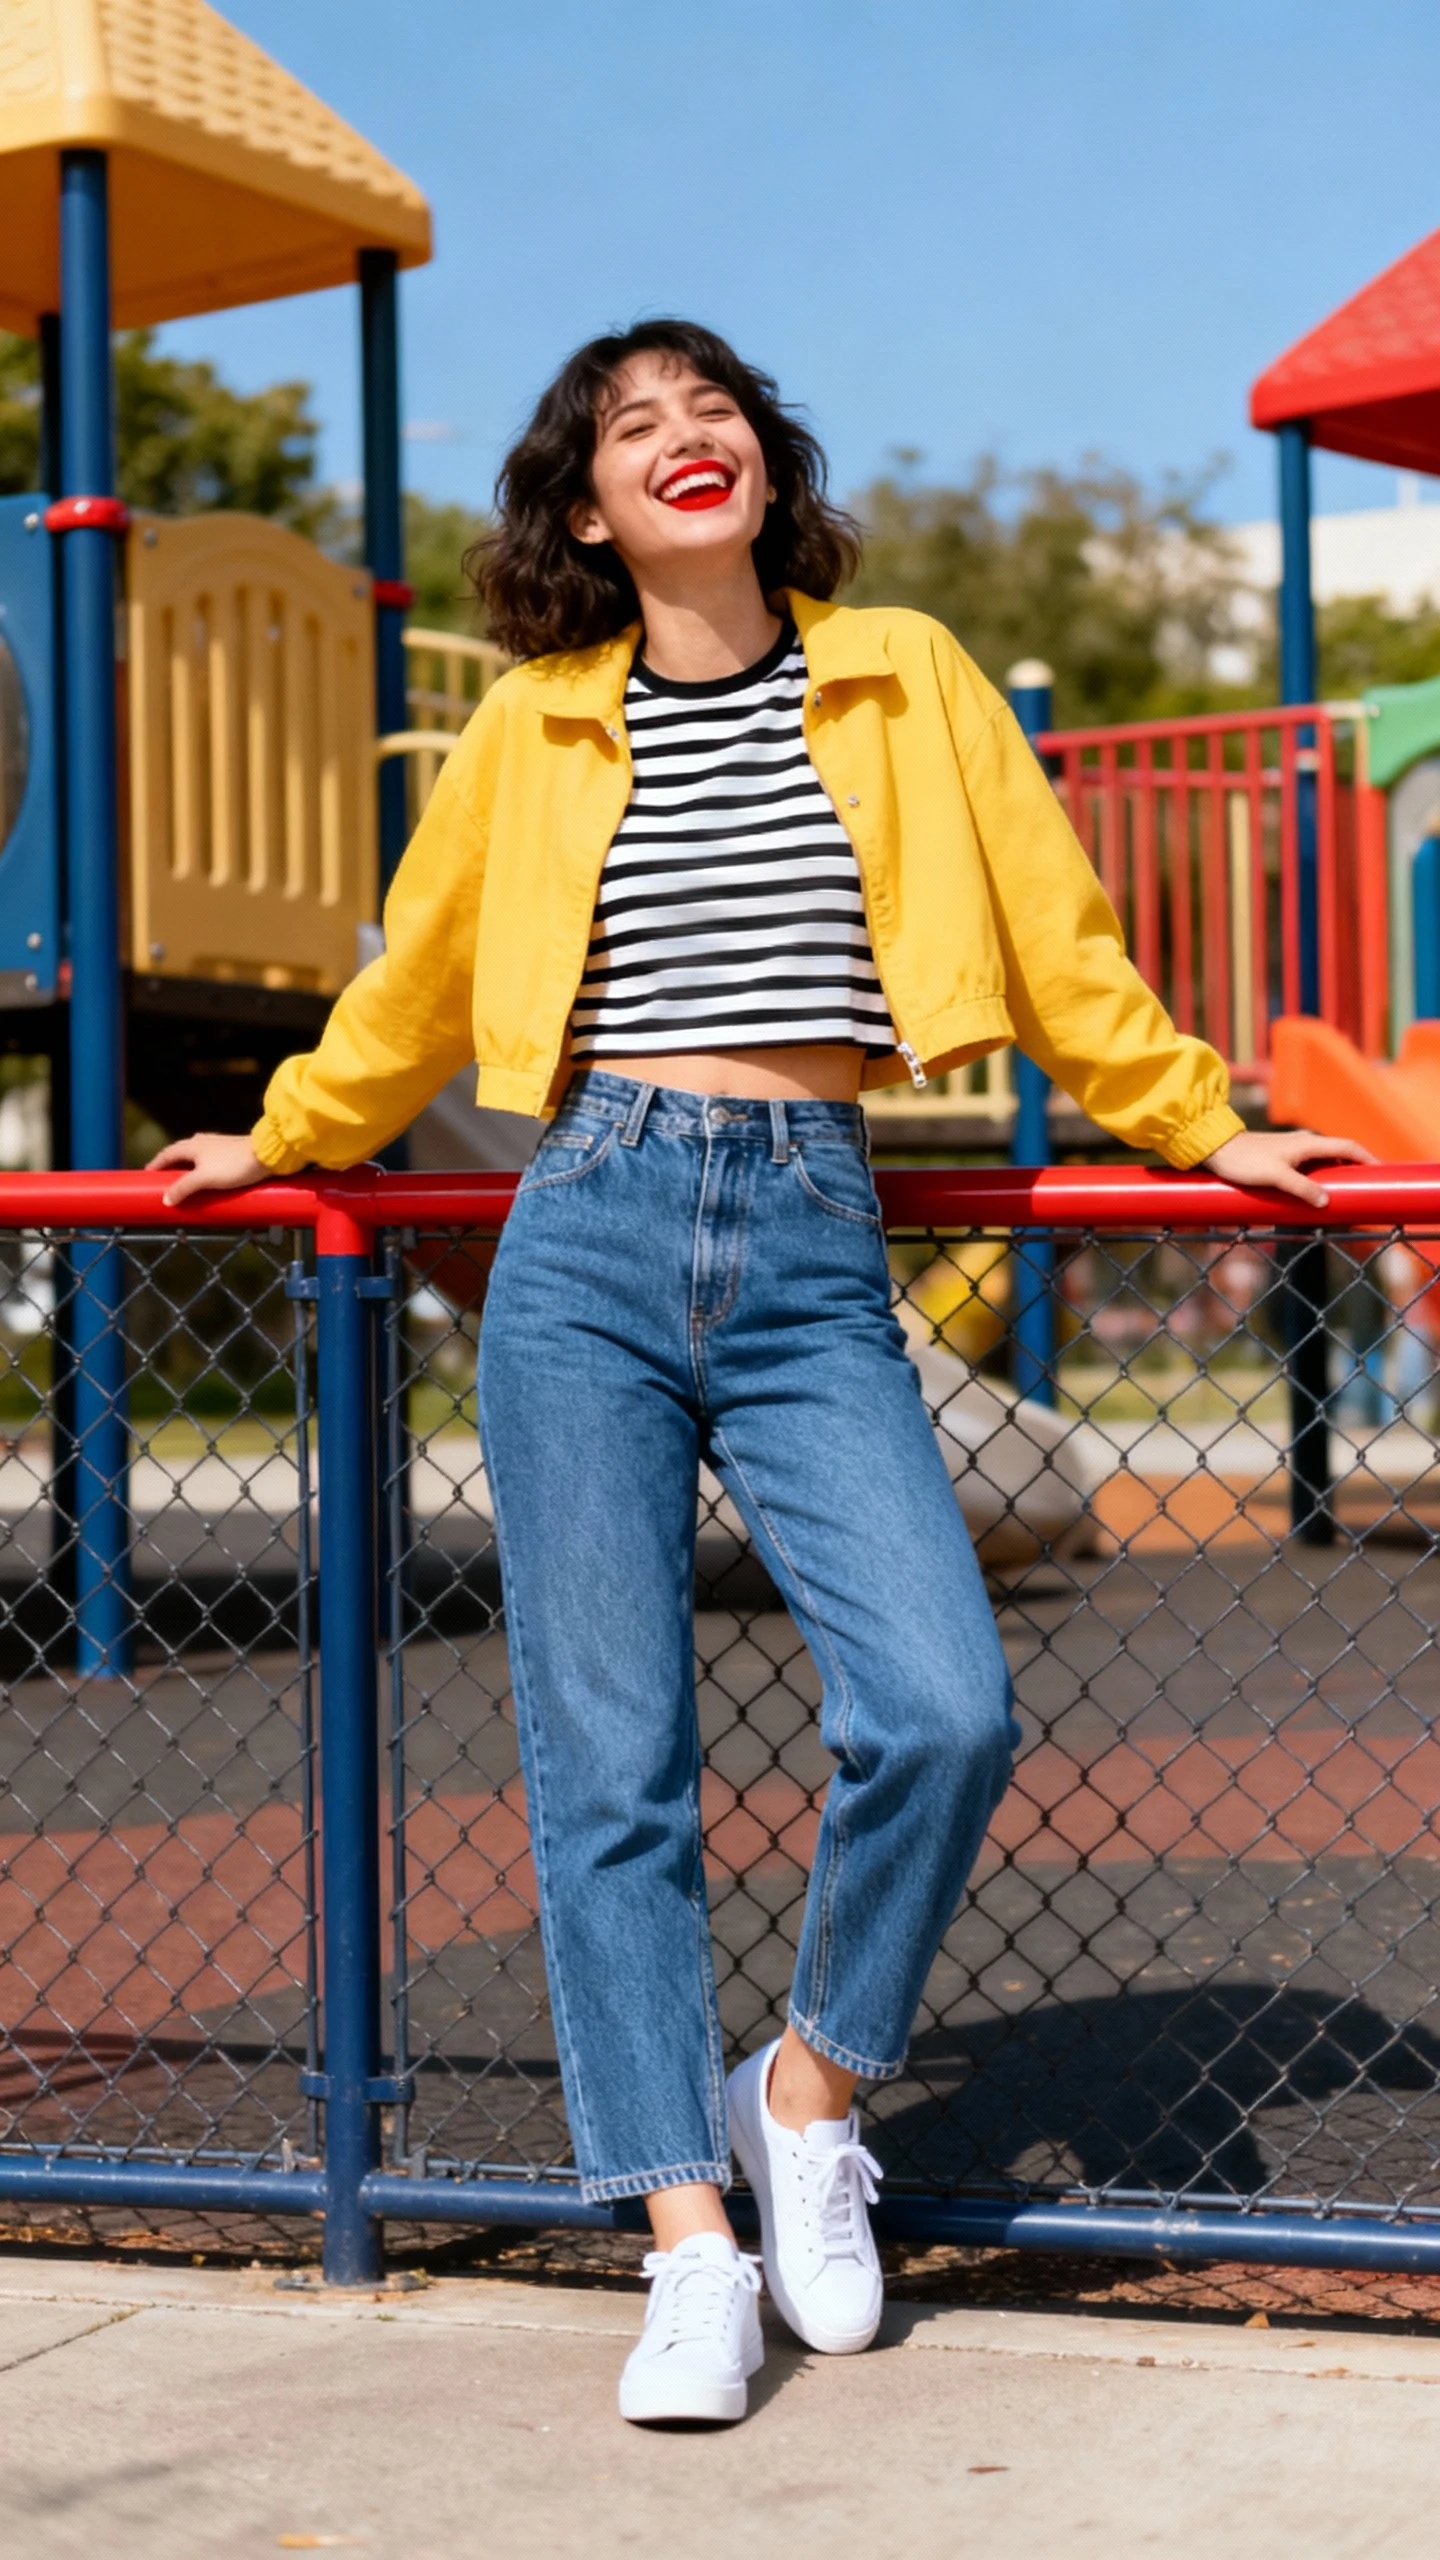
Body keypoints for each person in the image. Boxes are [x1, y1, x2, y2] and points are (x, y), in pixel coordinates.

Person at [152, 319, 1367, 2426]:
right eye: (630, 428)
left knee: (944, 1703)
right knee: (607, 1769)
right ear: (588, 510)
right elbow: (416, 980)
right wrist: (290, 1132)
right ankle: (681, 2236)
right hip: (587, 1230)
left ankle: (800, 2092)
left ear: (758, 464)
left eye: (706, 407)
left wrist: (1195, 1117)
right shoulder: (529, 726)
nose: (678, 437)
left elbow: (1066, 939)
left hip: (812, 1231)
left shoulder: (901, 673)